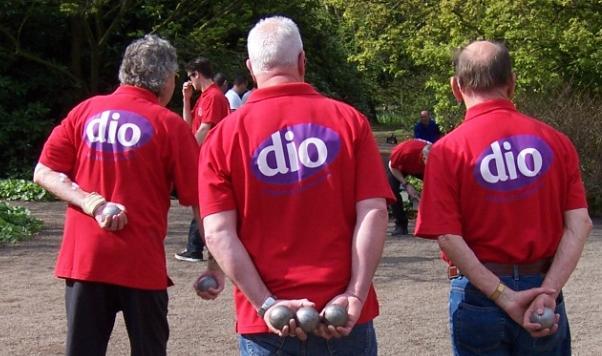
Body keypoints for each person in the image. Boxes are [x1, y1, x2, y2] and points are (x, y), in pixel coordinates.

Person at [196, 16, 394, 356]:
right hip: (343, 314)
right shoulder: (349, 122)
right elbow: (374, 211)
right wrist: (356, 293)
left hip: (269, 324)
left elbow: (217, 232)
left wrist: (266, 303)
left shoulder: (222, 138)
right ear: (303, 61)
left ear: (251, 67)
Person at [415, 40, 592, 355]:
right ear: (511, 83)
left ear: (456, 87)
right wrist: (548, 291)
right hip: (543, 290)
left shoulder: (447, 151)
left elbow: (447, 236)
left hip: (479, 295)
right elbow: (580, 224)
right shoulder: (556, 142)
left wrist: (502, 295)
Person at [32, 34, 201, 356]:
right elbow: (200, 200)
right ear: (166, 79)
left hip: (85, 261)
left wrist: (89, 202)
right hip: (140, 263)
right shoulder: (170, 125)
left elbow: (43, 172)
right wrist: (217, 265)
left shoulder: (85, 111)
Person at [175, 57, 230, 262]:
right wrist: (186, 99)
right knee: (199, 204)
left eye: (191, 78)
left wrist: (186, 153)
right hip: (201, 157)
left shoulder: (214, 96)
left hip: (209, 159)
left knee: (202, 204)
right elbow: (188, 125)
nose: (192, 83)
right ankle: (198, 247)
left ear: (196, 74)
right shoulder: (203, 97)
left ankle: (200, 248)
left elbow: (206, 128)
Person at [387, 138, 431, 236]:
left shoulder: (438, 156)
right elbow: (392, 166)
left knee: (436, 190)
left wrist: (425, 191)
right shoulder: (406, 152)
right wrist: (406, 185)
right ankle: (401, 225)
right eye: (428, 161)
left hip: (420, 170)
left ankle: (431, 223)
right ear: (423, 157)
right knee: (392, 190)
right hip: (399, 168)